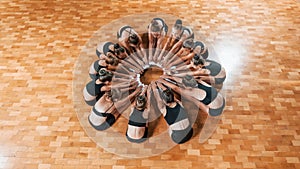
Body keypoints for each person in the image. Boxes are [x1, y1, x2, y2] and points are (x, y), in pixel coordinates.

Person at [157, 75, 225, 117]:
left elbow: (175, 88)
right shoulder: (199, 81)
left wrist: (163, 82)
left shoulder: (191, 92)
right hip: (221, 100)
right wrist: (169, 77)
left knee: (193, 100)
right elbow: (183, 80)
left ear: (188, 87)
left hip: (215, 110)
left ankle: (207, 108)